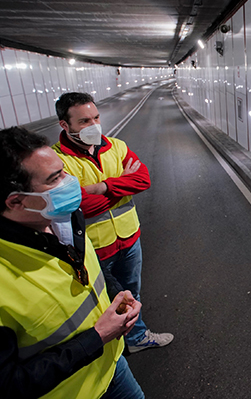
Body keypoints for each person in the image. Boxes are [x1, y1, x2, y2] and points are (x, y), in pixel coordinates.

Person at [0, 127, 144, 398]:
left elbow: (87, 268)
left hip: (112, 367)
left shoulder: (63, 219)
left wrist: (117, 293)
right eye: (56, 178)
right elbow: (5, 385)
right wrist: (96, 338)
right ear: (17, 202)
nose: (71, 181)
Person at [53, 92, 173, 354]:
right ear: (65, 125)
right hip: (93, 248)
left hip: (129, 238)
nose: (94, 125)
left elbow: (143, 180)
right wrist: (120, 188)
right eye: (84, 121)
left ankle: (136, 338)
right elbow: (77, 205)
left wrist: (102, 187)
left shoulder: (116, 146)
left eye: (96, 117)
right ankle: (109, 352)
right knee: (103, 304)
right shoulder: (57, 160)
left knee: (132, 294)